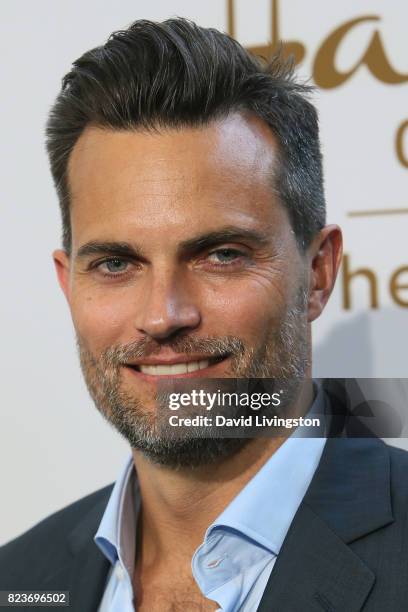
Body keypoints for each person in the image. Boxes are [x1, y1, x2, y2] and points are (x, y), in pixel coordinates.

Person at [1, 17, 407, 612]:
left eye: (221, 255)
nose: (164, 315)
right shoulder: (22, 580)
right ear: (69, 285)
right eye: (116, 264)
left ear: (318, 272)